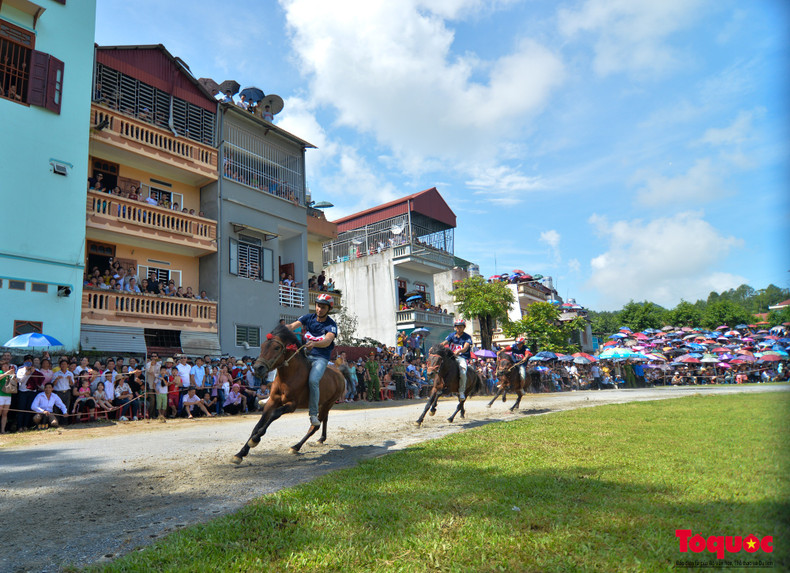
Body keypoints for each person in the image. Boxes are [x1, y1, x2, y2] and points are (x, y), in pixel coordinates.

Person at [284, 293, 338, 426]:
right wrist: (281, 329)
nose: (320, 309)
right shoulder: (308, 317)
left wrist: (314, 344)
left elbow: (327, 341)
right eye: (318, 306)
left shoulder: (331, 325)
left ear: (328, 309)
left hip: (320, 358)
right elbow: (292, 326)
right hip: (304, 354)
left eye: (323, 307)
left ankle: (313, 414)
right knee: (282, 362)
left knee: (313, 380)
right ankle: (271, 396)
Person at [443, 318, 473, 399]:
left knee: (463, 372)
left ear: (464, 327)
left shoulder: (467, 337)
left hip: (461, 357)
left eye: (460, 327)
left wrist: (459, 351)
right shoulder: (451, 335)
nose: (459, 329)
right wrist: (436, 347)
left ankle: (461, 391)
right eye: (457, 327)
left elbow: (466, 348)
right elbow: (444, 343)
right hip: (450, 357)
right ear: (455, 327)